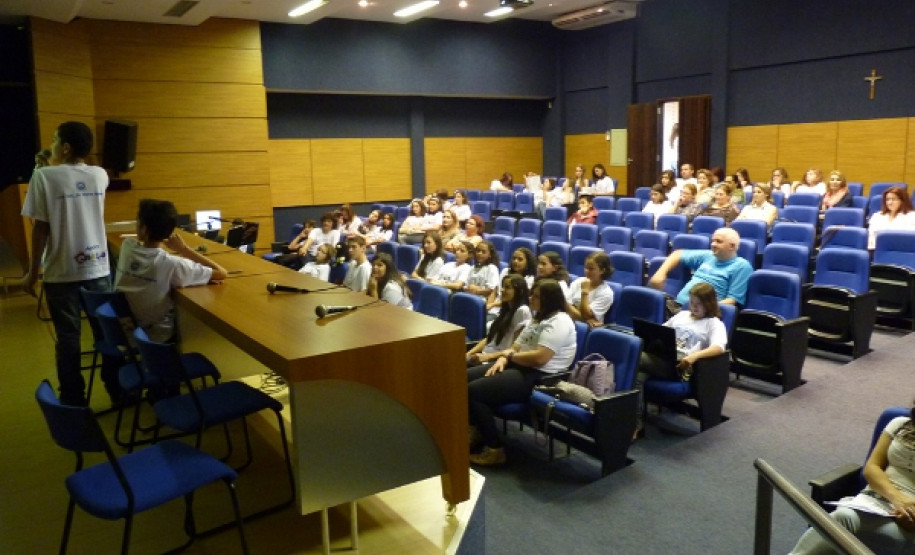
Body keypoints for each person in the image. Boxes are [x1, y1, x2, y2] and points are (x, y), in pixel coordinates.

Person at [21, 121, 115, 406]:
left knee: (69, 340)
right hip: (98, 268)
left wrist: (32, 272)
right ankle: (118, 390)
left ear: (65, 147)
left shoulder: (43, 176)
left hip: (61, 272)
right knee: (106, 335)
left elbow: (41, 228)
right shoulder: (100, 175)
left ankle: (73, 400)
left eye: (54, 140)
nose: (50, 146)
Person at [467, 279, 577, 465]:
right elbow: (516, 346)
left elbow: (540, 358)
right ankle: (475, 429)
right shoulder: (538, 318)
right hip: (520, 367)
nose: (531, 299)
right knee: (464, 377)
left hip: (541, 376)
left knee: (474, 391)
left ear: (549, 299)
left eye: (536, 296)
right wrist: (503, 357)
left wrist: (507, 356)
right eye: (531, 294)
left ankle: (494, 448)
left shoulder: (560, 321)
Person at [789, 400, 915, 555]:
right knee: (838, 530)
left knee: (842, 520)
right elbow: (871, 468)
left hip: (906, 523)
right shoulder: (900, 424)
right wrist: (897, 499)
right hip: (872, 503)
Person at [116, 198, 229, 344]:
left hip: (123, 332)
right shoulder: (172, 264)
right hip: (155, 338)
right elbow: (221, 273)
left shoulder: (127, 246)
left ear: (144, 229)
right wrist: (183, 249)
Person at [633, 282, 727, 437]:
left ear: (709, 304)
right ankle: (636, 425)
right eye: (691, 302)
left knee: (633, 357)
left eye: (699, 304)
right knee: (637, 376)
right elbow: (661, 331)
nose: (694, 307)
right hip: (662, 359)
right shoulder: (683, 315)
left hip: (681, 368)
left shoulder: (714, 323)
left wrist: (694, 356)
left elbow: (719, 347)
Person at [648, 227, 753, 307]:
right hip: (678, 305)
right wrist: (660, 273)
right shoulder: (708, 255)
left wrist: (700, 310)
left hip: (701, 315)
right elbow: (678, 253)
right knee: (642, 300)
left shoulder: (742, 266)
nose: (713, 244)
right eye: (713, 240)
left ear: (732, 246)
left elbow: (732, 300)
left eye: (718, 241)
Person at [467, 274, 532, 365]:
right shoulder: (506, 310)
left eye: (507, 287)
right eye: (502, 287)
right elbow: (489, 339)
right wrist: (468, 354)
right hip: (486, 355)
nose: (502, 290)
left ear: (519, 291)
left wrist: (486, 357)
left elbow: (516, 348)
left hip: (499, 360)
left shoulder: (522, 311)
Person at [566, 251, 614, 327]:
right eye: (586, 268)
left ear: (602, 270)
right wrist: (584, 318)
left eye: (591, 269)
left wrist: (584, 291)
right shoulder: (578, 281)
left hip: (588, 329)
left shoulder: (606, 293)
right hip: (569, 321)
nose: (587, 271)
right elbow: (565, 305)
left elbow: (586, 315)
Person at [486, 247, 537, 318]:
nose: (516, 261)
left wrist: (493, 304)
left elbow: (514, 300)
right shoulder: (505, 271)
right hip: (494, 307)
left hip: (509, 311)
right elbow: (495, 291)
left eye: (520, 259)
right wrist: (488, 305)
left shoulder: (529, 279)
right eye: (514, 258)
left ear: (527, 263)